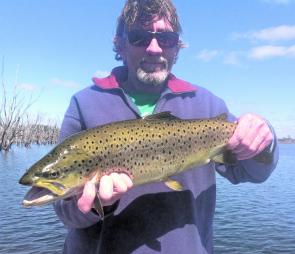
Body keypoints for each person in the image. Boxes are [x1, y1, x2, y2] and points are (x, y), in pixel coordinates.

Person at [54, 0, 279, 253]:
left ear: (177, 48)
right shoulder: (85, 104)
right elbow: (66, 212)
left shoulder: (207, 105)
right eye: (139, 37)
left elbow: (251, 172)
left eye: (167, 38)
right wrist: (95, 204)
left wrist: (264, 137)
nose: (154, 48)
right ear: (120, 44)